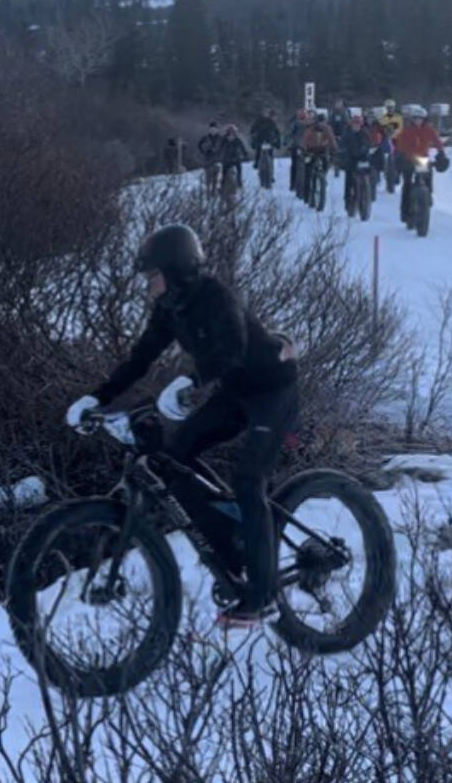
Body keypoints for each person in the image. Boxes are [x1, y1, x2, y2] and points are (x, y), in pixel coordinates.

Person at [64, 225, 299, 628]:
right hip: (235, 392)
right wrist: (97, 398)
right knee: (172, 460)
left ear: (175, 270)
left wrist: (192, 381)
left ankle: (264, 598)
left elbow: (233, 348)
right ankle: (231, 536)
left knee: (248, 480)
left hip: (272, 391)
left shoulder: (215, 296)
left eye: (153, 274)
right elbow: (140, 359)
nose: (149, 283)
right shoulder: (170, 309)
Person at [393, 105, 446, 224]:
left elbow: (437, 142)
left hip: (422, 159)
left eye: (420, 119)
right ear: (412, 119)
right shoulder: (406, 131)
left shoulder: (429, 130)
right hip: (408, 160)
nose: (418, 121)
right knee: (407, 184)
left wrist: (441, 152)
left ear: (424, 119)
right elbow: (400, 145)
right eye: (415, 119)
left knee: (427, 178)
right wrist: (400, 155)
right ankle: (405, 211)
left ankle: (428, 197)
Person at [300, 113, 338, 204]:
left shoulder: (328, 129)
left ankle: (322, 180)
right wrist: (304, 150)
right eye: (320, 122)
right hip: (311, 151)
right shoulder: (310, 130)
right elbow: (304, 141)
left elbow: (332, 140)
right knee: (308, 173)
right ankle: (306, 196)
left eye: (323, 122)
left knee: (326, 164)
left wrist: (335, 150)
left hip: (323, 151)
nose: (322, 124)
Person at [219, 125, 251, 192]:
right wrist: (217, 156)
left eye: (232, 135)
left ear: (235, 134)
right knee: (224, 174)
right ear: (226, 135)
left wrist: (246, 155)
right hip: (226, 160)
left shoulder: (238, 140)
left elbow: (243, 149)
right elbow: (219, 149)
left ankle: (239, 184)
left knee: (239, 171)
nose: (231, 137)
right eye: (229, 135)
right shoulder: (223, 140)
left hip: (236, 159)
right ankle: (222, 187)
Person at [288, 109, 312, 193]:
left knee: (294, 165)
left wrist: (287, 143)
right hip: (306, 148)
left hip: (297, 147)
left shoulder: (295, 123)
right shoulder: (310, 124)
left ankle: (292, 184)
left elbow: (289, 134)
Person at [198, 122, 224, 192]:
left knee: (216, 178)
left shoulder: (220, 138)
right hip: (208, 159)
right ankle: (208, 192)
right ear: (209, 129)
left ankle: (214, 191)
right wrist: (204, 151)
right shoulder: (205, 138)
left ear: (217, 129)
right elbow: (199, 145)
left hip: (217, 159)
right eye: (211, 129)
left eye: (214, 129)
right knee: (208, 178)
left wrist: (219, 153)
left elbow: (223, 147)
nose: (213, 130)